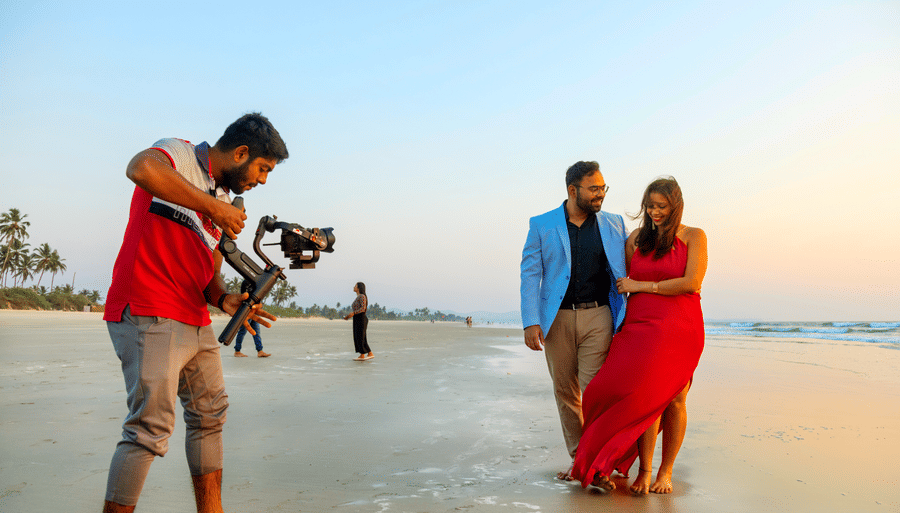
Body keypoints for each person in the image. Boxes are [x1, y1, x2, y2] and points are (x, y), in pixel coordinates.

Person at [101, 113, 288, 513]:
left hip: (194, 317)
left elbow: (209, 275)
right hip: (150, 307)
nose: (263, 180)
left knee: (210, 416)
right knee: (149, 429)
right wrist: (213, 209)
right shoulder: (179, 153)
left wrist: (223, 300)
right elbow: (140, 167)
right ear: (240, 153)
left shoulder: (221, 200)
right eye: (262, 168)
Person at [571, 177, 707, 495]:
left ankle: (664, 471)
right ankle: (636, 468)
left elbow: (691, 282)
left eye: (661, 206)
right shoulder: (636, 241)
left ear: (676, 206)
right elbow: (614, 278)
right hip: (639, 327)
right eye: (650, 206)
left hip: (679, 327)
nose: (655, 212)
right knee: (620, 393)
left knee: (673, 399)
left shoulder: (694, 236)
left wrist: (642, 286)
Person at [520, 161, 628, 481]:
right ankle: (579, 457)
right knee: (565, 390)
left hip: (599, 315)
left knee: (594, 390)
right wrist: (530, 321)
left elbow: (630, 264)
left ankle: (598, 460)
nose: (601, 194)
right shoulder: (542, 225)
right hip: (557, 319)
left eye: (603, 188)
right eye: (594, 188)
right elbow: (531, 275)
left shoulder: (615, 224)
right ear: (573, 190)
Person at [343, 282, 372, 360]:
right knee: (357, 336)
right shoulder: (358, 297)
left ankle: (368, 353)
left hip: (361, 318)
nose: (353, 287)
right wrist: (349, 316)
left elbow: (363, 308)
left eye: (355, 286)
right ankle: (363, 354)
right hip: (357, 318)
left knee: (361, 337)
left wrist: (353, 313)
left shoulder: (362, 296)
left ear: (359, 288)